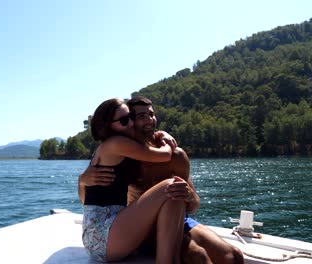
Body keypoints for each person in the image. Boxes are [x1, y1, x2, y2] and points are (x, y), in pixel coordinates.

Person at [126, 96, 244, 264]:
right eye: (142, 116)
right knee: (198, 256)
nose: (150, 120)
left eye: (151, 114)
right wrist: (85, 179)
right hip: (145, 230)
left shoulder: (176, 156)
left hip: (180, 221)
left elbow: (194, 204)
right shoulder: (126, 157)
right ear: (130, 122)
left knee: (234, 256)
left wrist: (189, 196)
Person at [78, 98, 186, 263]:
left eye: (131, 118)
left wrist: (159, 133)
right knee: (171, 186)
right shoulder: (116, 143)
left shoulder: (113, 147)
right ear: (108, 125)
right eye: (123, 120)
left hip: (102, 236)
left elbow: (85, 200)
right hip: (102, 236)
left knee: (174, 195)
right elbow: (166, 155)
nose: (130, 123)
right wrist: (164, 138)